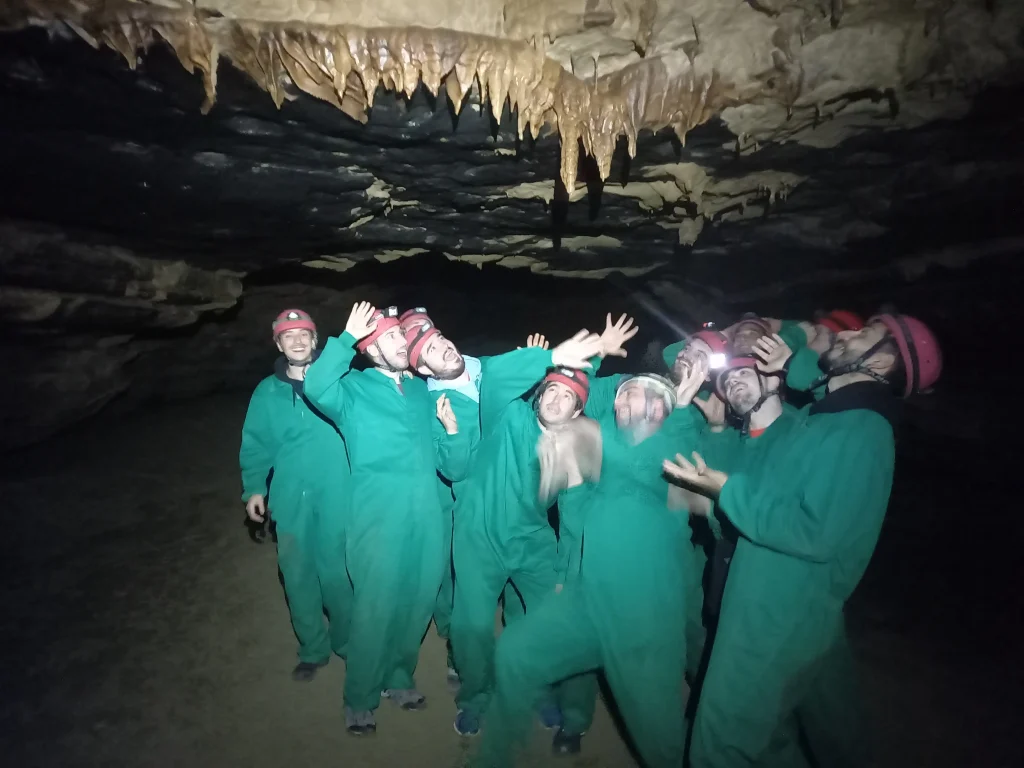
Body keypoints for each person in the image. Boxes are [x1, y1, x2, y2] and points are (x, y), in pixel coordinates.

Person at [664, 313, 942, 768]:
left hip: (780, 609)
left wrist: (726, 491)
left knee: (722, 744)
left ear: (883, 361)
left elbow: (814, 531)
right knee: (788, 737)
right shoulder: (824, 418)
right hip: (766, 598)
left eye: (864, 334)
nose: (846, 334)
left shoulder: (860, 428)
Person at [474, 366, 707, 768]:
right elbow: (573, 519)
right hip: (589, 603)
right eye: (628, 393)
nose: (634, 400)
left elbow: (657, 468)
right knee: (515, 652)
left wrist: (681, 410)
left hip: (645, 619)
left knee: (660, 737)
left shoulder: (677, 452)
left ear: (663, 411)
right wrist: (566, 574)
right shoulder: (597, 443)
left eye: (646, 396)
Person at [448, 320, 628, 741]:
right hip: (479, 537)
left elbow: (574, 517)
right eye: (551, 390)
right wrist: (551, 358)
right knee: (472, 626)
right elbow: (494, 376)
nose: (556, 399)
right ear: (539, 394)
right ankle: (476, 697)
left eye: (567, 397)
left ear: (577, 412)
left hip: (531, 541)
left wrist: (565, 573)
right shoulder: (507, 416)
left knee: (551, 616)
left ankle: (536, 688)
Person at [303, 302, 470, 735]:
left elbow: (452, 469)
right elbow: (315, 385)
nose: (403, 342)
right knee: (375, 609)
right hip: (377, 520)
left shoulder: (420, 392)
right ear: (371, 349)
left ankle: (399, 676)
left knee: (417, 603)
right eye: (392, 337)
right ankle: (360, 697)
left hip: (427, 519)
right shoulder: (352, 390)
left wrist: (453, 434)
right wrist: (345, 338)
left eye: (401, 334)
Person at [400, 307, 547, 688]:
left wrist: (531, 367)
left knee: (524, 597)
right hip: (473, 511)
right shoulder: (434, 406)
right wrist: (451, 432)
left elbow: (535, 409)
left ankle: (523, 665)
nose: (444, 348)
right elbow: (454, 470)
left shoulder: (490, 368)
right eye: (431, 350)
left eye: (439, 338)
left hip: (523, 505)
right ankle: (464, 664)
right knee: (467, 598)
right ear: (424, 369)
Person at [239, 309, 352, 683]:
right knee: (297, 573)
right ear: (278, 344)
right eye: (289, 336)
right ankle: (313, 649)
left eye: (304, 334)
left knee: (339, 573)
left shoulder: (339, 381)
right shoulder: (267, 392)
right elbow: (256, 443)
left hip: (338, 493)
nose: (298, 341)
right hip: (289, 496)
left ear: (315, 340)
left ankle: (347, 642)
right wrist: (254, 487)